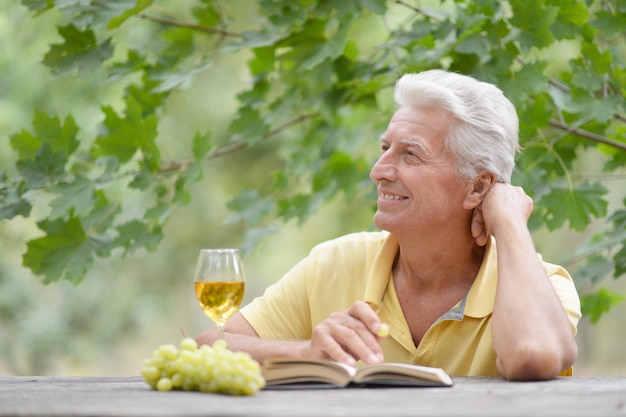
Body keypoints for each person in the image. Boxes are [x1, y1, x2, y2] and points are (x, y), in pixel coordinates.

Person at [196, 69, 581, 381]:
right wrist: (306, 352)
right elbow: (207, 348)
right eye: (385, 149)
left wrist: (509, 220)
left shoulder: (545, 288)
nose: (378, 171)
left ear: (478, 186)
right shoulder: (334, 263)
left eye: (410, 155)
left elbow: (533, 357)